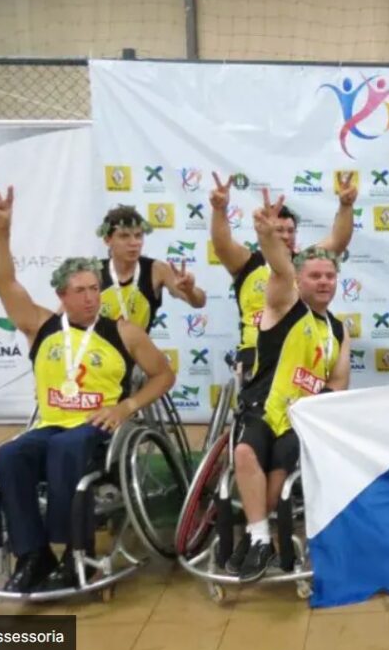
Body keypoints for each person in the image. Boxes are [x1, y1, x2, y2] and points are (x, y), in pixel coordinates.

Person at [0, 185, 174, 592]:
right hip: (53, 425)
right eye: (81, 291)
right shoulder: (40, 325)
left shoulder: (123, 331)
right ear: (62, 296)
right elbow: (4, 283)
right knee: (11, 454)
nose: (91, 298)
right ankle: (34, 555)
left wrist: (127, 406)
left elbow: (163, 375)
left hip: (98, 429)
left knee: (65, 449)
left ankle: (74, 552)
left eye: (94, 289)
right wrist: (1, 233)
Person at [227, 191, 351, 581]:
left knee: (281, 465)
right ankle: (260, 537)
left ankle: (257, 537)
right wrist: (267, 236)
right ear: (300, 279)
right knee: (247, 453)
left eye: (330, 276)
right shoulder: (283, 302)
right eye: (315, 275)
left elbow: (338, 383)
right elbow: (280, 269)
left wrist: (319, 406)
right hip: (265, 404)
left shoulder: (337, 329)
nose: (324, 282)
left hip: (304, 417)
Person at [209, 172, 356, 385]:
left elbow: (338, 241)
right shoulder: (249, 262)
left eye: (291, 231)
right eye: (279, 230)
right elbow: (222, 246)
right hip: (256, 355)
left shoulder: (306, 263)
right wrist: (219, 209)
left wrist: (345, 205)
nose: (286, 236)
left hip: (302, 350)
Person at [96, 205, 207, 332]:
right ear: (107, 240)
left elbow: (200, 302)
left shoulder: (157, 270)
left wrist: (189, 291)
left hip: (138, 350)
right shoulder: (94, 272)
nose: (134, 243)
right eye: (124, 236)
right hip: (98, 350)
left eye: (138, 236)